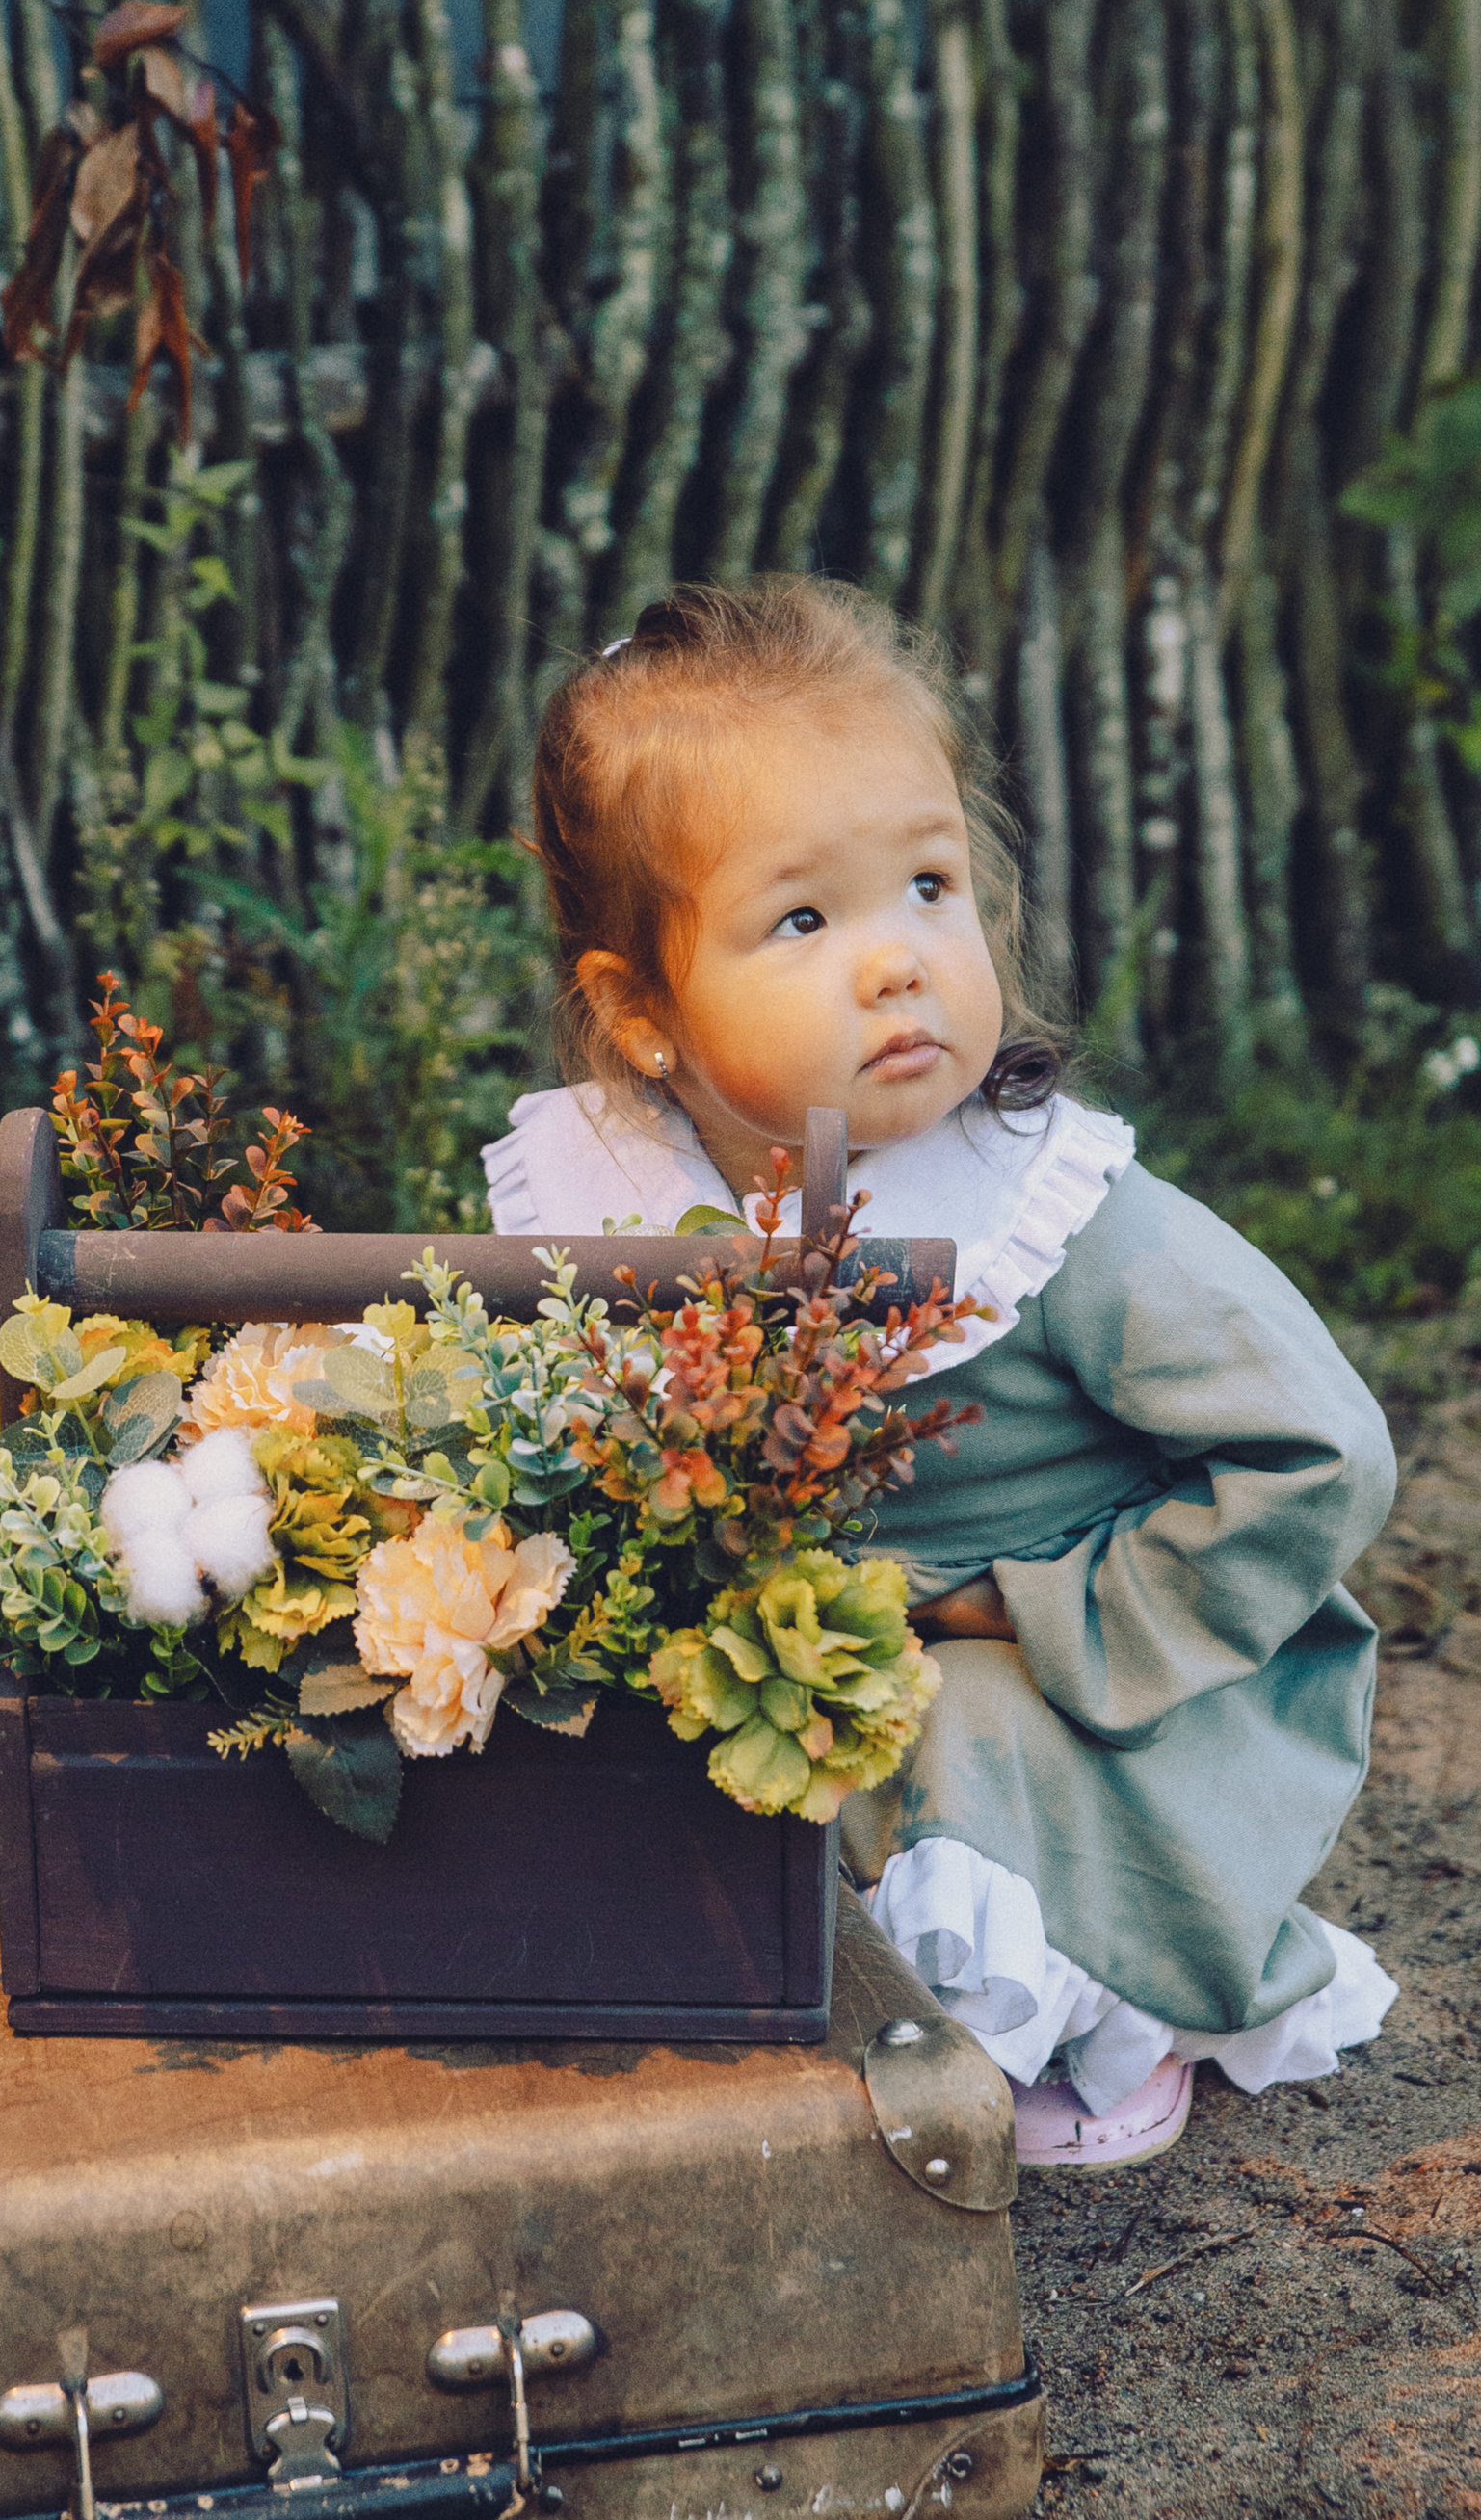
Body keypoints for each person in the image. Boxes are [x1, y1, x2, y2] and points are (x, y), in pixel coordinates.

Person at [485, 577, 1399, 2171]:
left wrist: (1030, 1606)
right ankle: (781, 1997)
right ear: (640, 1011)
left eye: (928, 884)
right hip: (784, 1661)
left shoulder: (1056, 1220)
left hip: (1079, 1693)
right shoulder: (609, 1204)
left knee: (940, 1726)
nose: (897, 962)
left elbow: (1323, 1455)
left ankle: (1081, 2014)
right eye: (804, 920)